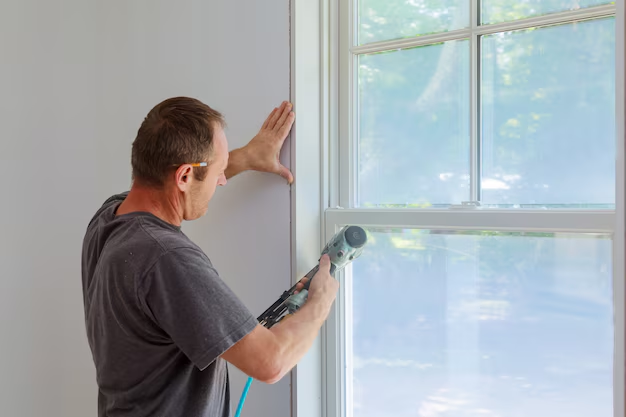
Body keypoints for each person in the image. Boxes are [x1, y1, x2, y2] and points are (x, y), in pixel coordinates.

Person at [81, 97, 339, 417]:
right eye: (219, 169)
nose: (222, 179)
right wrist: (320, 304)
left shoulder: (110, 217)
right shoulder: (166, 259)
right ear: (185, 176)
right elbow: (270, 362)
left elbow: (172, 179)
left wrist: (245, 157)